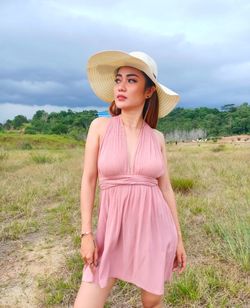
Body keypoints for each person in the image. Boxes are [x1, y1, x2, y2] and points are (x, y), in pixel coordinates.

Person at [74, 50, 187, 308]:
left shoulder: (157, 138)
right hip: (110, 232)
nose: (121, 86)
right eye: (118, 79)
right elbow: (88, 180)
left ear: (149, 91)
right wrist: (86, 234)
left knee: (151, 302)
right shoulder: (99, 127)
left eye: (132, 80)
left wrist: (179, 238)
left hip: (154, 232)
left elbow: (166, 189)